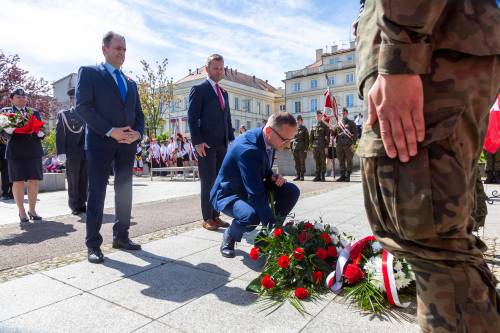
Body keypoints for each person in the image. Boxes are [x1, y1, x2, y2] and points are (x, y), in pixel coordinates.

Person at [355, 1, 500, 331]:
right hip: (433, 44)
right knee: (442, 243)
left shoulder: (407, 52)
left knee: (429, 240)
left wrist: (399, 57)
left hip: (424, 53)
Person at [75, 31, 144, 264]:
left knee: (125, 191)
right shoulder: (90, 72)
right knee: (97, 192)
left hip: (126, 145)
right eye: (118, 48)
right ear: (104, 49)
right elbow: (83, 108)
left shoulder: (130, 81)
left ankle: (122, 237)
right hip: (99, 143)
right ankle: (93, 245)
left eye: (124, 49)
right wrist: (110, 131)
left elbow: (139, 114)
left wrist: (138, 133)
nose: (122, 53)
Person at [210, 112, 300, 258]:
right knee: (251, 216)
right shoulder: (248, 149)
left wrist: (272, 176)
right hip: (229, 193)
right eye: (285, 140)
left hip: (250, 185)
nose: (288, 145)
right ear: (269, 131)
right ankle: (230, 234)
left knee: (291, 191)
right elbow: (256, 195)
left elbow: (260, 168)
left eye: (291, 140)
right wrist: (275, 232)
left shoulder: (267, 138)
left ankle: (264, 238)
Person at [188, 54, 234, 231]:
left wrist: (231, 141)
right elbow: (192, 118)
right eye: (215, 68)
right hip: (205, 145)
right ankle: (207, 217)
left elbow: (227, 119)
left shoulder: (224, 93)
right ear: (206, 69)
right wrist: (197, 142)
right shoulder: (199, 90)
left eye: (221, 68)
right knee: (207, 182)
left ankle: (216, 215)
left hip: (222, 145)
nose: (219, 71)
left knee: (219, 182)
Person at [1, 86, 45, 223]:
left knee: (34, 181)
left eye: (24, 96)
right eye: (18, 97)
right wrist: (9, 130)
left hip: (33, 149)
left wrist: (40, 132)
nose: (22, 99)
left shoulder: (33, 112)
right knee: (18, 181)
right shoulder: (5, 112)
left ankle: (32, 210)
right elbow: (2, 133)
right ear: (12, 99)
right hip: (16, 151)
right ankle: (21, 212)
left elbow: (42, 128)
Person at [56, 87, 87, 215]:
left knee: (85, 179)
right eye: (75, 97)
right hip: (71, 153)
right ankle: (74, 205)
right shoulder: (64, 115)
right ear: (71, 99)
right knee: (73, 179)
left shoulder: (88, 114)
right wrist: (61, 152)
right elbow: (60, 134)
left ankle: (82, 203)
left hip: (86, 152)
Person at [332, 108, 358, 182]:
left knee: (349, 160)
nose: (342, 114)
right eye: (341, 113)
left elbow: (355, 135)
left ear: (347, 113)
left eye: (344, 113)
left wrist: (353, 145)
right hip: (339, 145)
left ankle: (348, 175)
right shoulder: (338, 124)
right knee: (341, 160)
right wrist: (332, 130)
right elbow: (334, 133)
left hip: (348, 145)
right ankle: (342, 175)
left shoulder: (351, 123)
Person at [309, 110, 330, 182]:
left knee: (322, 161)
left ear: (321, 116)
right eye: (317, 116)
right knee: (317, 161)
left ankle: (323, 176)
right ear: (316, 117)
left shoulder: (325, 125)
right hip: (315, 147)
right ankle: (317, 176)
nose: (318, 117)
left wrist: (326, 147)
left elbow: (327, 136)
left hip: (322, 146)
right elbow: (311, 137)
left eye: (319, 116)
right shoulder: (314, 125)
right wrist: (311, 145)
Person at [291, 115, 308, 181]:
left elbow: (307, 139)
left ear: (302, 121)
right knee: (296, 162)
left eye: (299, 121)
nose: (298, 122)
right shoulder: (294, 129)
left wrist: (306, 148)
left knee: (302, 162)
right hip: (295, 148)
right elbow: (292, 138)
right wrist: (291, 148)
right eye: (297, 121)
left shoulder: (304, 129)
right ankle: (298, 175)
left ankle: (302, 176)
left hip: (302, 148)